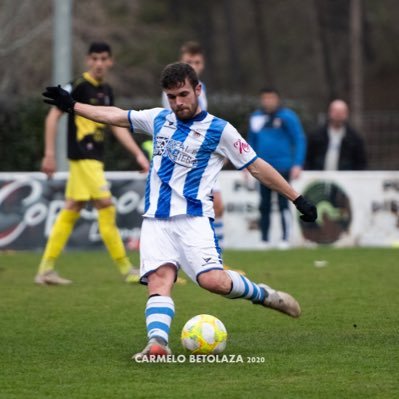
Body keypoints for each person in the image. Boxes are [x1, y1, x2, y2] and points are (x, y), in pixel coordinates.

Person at [42, 62, 317, 360]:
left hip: (194, 219)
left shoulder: (219, 130)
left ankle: (264, 295)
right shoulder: (159, 119)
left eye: (183, 94)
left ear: (197, 90)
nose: (178, 103)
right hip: (155, 221)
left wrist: (297, 198)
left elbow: (256, 166)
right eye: (171, 97)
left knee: (214, 281)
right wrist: (73, 106)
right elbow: (116, 116)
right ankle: (157, 344)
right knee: (160, 280)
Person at [35, 42, 150, 286]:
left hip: (92, 160)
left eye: (104, 59)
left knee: (72, 208)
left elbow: (116, 126)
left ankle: (45, 269)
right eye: (95, 58)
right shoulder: (78, 86)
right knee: (106, 206)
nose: (99, 63)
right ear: (88, 60)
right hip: (83, 158)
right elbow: (52, 116)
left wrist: (137, 154)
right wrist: (49, 153)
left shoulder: (107, 90)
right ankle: (126, 269)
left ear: (110, 62)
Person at [160, 41, 225, 247]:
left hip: (204, 155)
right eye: (189, 62)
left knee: (216, 205)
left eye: (197, 62)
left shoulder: (200, 88)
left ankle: (215, 259)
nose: (194, 66)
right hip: (188, 157)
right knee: (184, 211)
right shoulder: (174, 93)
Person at [248, 87, 306, 249]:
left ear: (277, 99)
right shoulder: (256, 117)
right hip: (261, 169)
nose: (268, 101)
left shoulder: (288, 117)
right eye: (265, 98)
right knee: (264, 204)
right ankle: (264, 239)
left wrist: (297, 163)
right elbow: (250, 142)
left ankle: (285, 239)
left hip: (283, 166)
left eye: (271, 98)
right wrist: (247, 165)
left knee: (284, 203)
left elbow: (299, 139)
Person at [305, 99, 367, 171]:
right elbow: (308, 158)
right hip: (318, 177)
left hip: (346, 179)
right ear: (329, 112)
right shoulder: (315, 136)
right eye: (335, 112)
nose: (338, 115)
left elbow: (361, 163)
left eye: (341, 112)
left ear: (346, 114)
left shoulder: (355, 139)